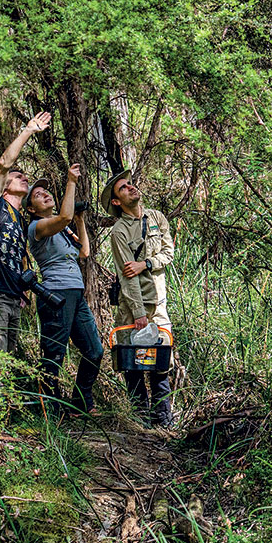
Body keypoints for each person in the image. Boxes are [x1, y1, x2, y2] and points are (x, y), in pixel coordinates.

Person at [101, 171, 178, 429]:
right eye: (123, 188)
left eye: (130, 184)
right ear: (116, 202)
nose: (131, 188)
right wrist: (138, 313)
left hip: (160, 304)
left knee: (162, 359)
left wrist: (146, 263)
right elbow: (127, 276)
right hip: (134, 306)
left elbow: (169, 253)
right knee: (133, 360)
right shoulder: (119, 232)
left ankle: (163, 419)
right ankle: (140, 420)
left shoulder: (156, 217)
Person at [0, 111, 50, 358]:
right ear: (5, 187)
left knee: (8, 365)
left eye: (25, 177)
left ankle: (1, 399)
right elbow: (4, 163)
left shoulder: (19, 219)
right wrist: (28, 131)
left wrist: (22, 291)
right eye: (18, 177)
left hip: (13, 299)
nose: (24, 178)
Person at [27, 163, 103, 414]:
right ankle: (49, 410)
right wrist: (70, 181)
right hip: (56, 293)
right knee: (54, 354)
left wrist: (80, 221)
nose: (45, 194)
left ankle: (80, 402)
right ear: (31, 209)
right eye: (38, 195)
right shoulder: (37, 228)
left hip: (75, 292)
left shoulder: (63, 228)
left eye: (46, 192)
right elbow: (64, 216)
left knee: (94, 349)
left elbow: (84, 252)